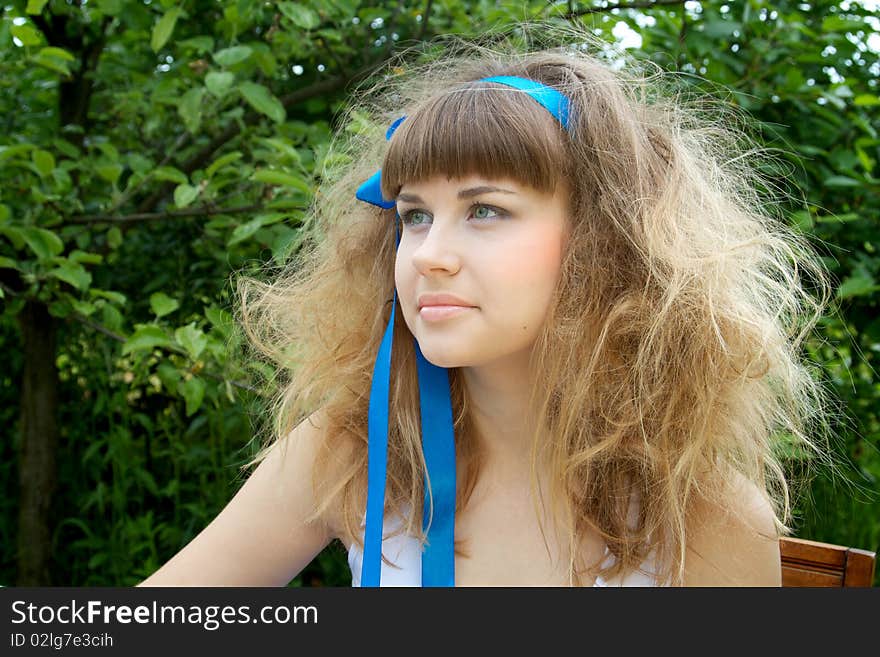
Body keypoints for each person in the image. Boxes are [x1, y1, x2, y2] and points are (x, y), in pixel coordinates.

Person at [138, 24, 835, 587]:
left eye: (486, 211)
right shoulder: (358, 447)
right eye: (413, 216)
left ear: (603, 246)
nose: (429, 253)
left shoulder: (701, 513)